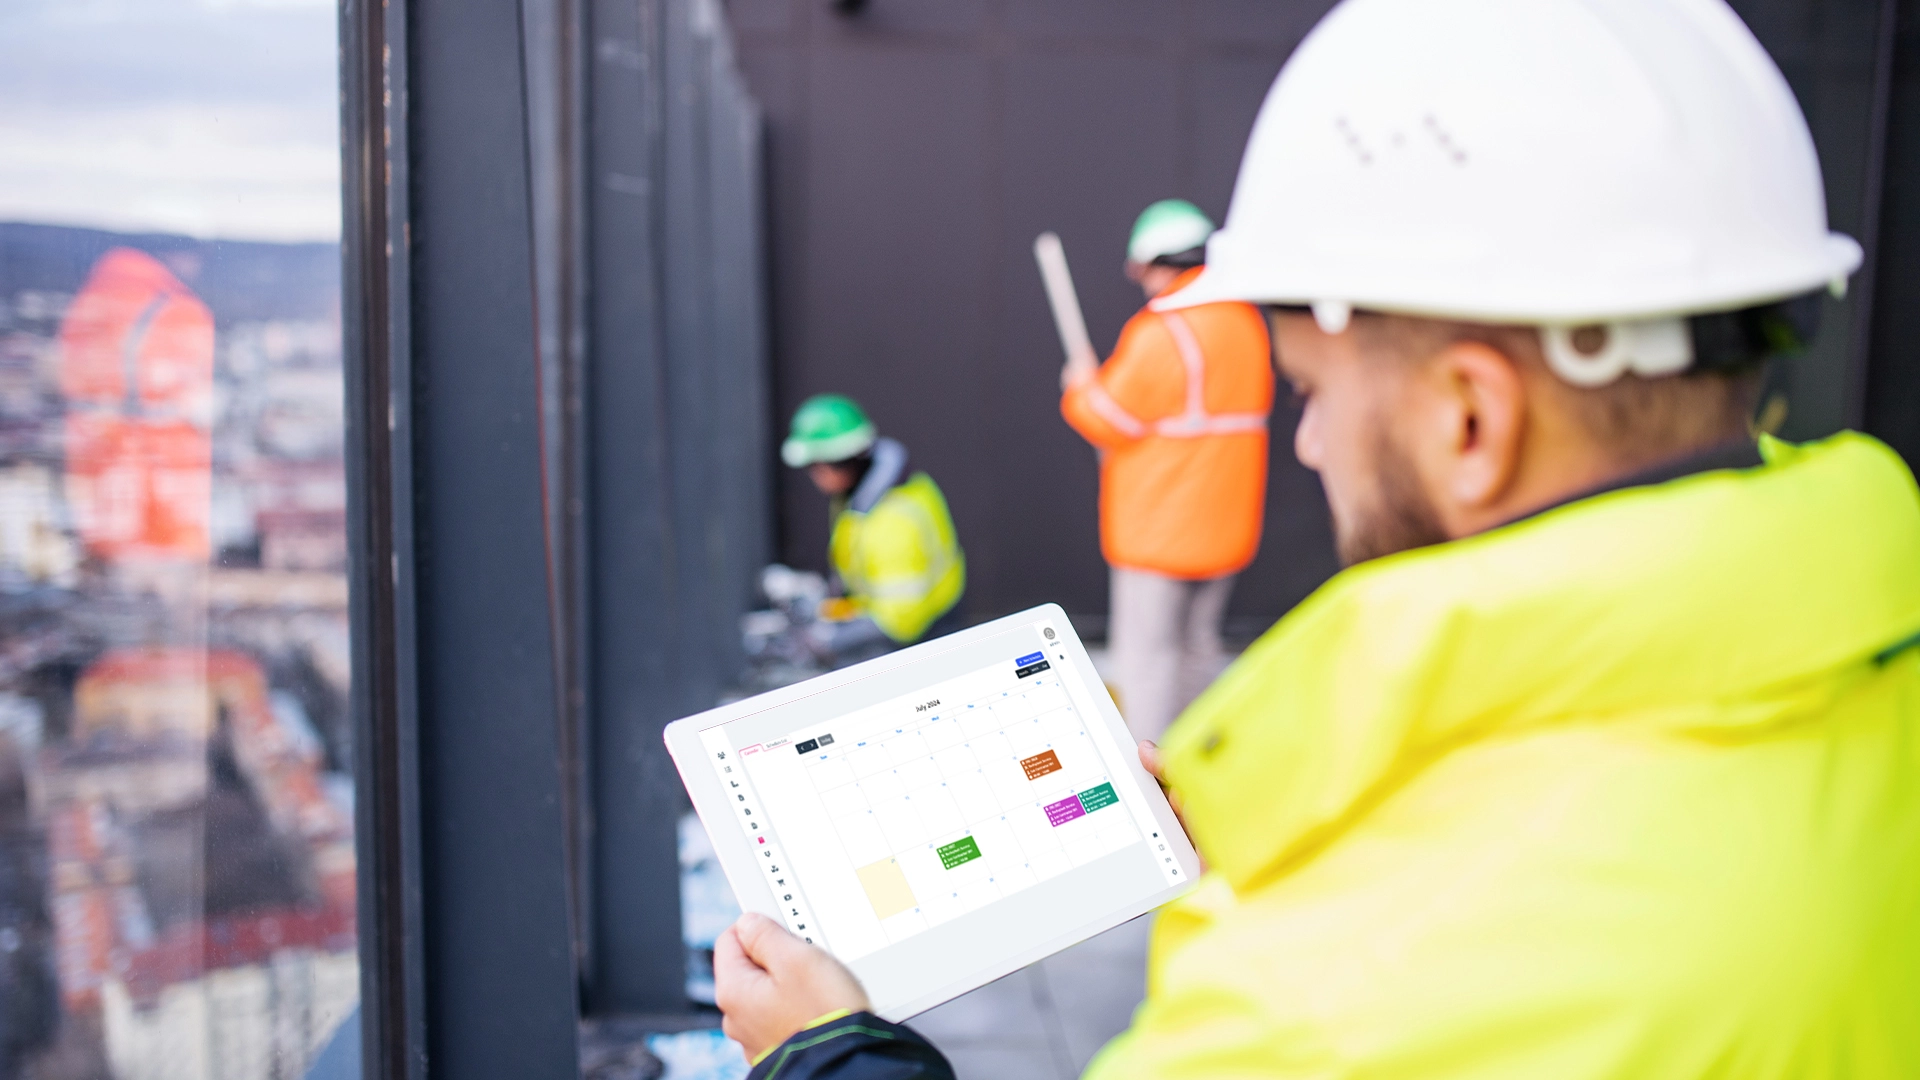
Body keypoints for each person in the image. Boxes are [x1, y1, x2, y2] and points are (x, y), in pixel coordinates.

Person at [716, 1, 1920, 1077]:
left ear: (1470, 421)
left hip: (1152, 521)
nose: (1310, 445)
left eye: (1319, 394)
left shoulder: (1327, 1010)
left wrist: (828, 1057)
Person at [1060, 199, 1273, 740]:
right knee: (1199, 650)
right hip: (1225, 526)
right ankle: (1201, 768)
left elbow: (1106, 417)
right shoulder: (1246, 321)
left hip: (1159, 530)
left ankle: (1149, 778)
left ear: (1155, 261)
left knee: (1147, 662)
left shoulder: (1162, 330)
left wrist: (1081, 385)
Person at [782, 394, 965, 659]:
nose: (814, 475)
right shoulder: (865, 495)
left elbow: (899, 620)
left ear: (841, 460)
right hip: (912, 616)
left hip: (924, 637)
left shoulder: (892, 522)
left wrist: (830, 640)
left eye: (816, 466)